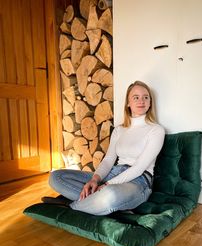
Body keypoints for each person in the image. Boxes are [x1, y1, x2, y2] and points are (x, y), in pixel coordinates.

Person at [43, 81, 165, 215]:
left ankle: (71, 206)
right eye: (136, 97)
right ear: (128, 103)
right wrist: (94, 180)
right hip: (112, 174)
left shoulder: (156, 130)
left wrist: (107, 186)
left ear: (150, 102)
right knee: (56, 177)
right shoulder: (119, 130)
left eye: (145, 97)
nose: (141, 101)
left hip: (138, 181)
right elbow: (108, 160)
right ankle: (104, 206)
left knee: (110, 195)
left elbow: (139, 168)